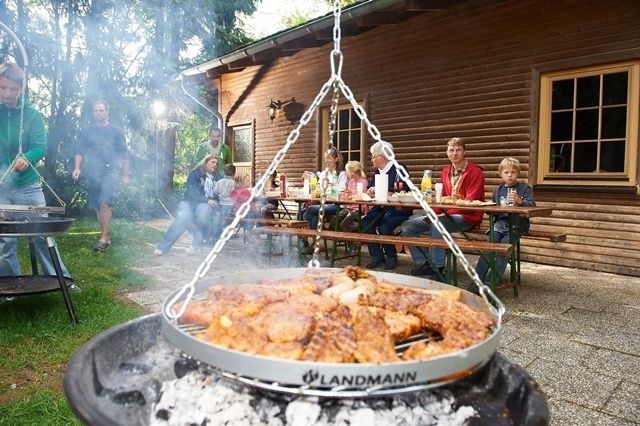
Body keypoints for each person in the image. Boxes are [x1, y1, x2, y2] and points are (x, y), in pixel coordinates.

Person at [0, 62, 70, 277]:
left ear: (20, 89)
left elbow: (39, 147)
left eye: (13, 89)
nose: (7, 93)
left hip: (29, 187)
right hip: (2, 187)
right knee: (4, 240)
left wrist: (27, 158)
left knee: (42, 234)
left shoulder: (31, 115)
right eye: (2, 88)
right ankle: (10, 285)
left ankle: (60, 279)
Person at [401, 137, 485, 277]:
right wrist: (433, 213)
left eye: (458, 150)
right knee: (408, 226)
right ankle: (426, 262)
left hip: (467, 216)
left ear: (464, 152)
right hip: (445, 215)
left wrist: (440, 216)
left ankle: (438, 269)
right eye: (451, 150)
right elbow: (442, 199)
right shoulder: (445, 171)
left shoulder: (475, 171)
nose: (455, 153)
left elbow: (470, 202)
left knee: (437, 225)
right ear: (447, 153)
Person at [72, 100, 129, 252]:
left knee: (105, 203)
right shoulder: (87, 131)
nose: (98, 113)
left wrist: (125, 175)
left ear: (107, 112)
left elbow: (124, 154)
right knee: (98, 205)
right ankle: (106, 236)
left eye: (101, 110)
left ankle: (103, 239)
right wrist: (77, 168)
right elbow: (79, 150)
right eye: (96, 110)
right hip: (93, 171)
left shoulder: (116, 131)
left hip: (111, 171)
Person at [475, 157, 535, 284]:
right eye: (506, 172)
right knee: (487, 250)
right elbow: (495, 207)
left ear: (517, 173)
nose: (510, 175)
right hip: (499, 226)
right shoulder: (498, 190)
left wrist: (521, 202)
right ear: (501, 174)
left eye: (513, 172)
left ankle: (489, 285)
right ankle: (477, 282)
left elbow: (533, 206)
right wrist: (488, 207)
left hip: (516, 227)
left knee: (502, 252)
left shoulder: (524, 188)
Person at [153, 155, 220, 255]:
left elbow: (221, 193)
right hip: (190, 203)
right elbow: (192, 191)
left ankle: (196, 245)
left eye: (216, 163)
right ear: (205, 162)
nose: (215, 165)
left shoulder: (218, 177)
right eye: (212, 162)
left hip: (205, 206)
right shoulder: (195, 174)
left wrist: (216, 202)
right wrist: (207, 200)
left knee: (203, 211)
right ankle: (163, 247)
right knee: (183, 218)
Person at [360, 141, 411, 270]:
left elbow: (403, 190)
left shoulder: (399, 168)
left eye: (373, 156)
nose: (372, 159)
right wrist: (371, 190)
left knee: (384, 227)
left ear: (381, 157)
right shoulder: (378, 171)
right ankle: (377, 257)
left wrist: (384, 191)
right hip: (380, 207)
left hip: (398, 209)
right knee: (365, 223)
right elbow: (371, 187)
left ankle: (391, 257)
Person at [301, 147, 348, 229]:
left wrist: (326, 192)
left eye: (329, 158)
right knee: (302, 212)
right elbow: (318, 189)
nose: (326, 160)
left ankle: (308, 237)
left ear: (336, 159)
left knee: (311, 210)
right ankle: (310, 238)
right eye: (325, 158)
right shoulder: (323, 173)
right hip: (322, 203)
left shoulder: (341, 174)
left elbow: (341, 193)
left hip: (336, 205)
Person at [336, 160, 369, 233]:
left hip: (359, 209)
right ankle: (348, 236)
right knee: (334, 220)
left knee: (344, 224)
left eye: (347, 172)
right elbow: (348, 193)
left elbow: (362, 196)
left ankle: (352, 242)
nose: (347, 174)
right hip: (349, 208)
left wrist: (351, 197)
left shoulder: (363, 182)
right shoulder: (351, 181)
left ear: (352, 173)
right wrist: (345, 195)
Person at [209, 163, 236, 241]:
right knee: (228, 220)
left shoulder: (219, 182)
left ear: (223, 172)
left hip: (221, 204)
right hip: (230, 205)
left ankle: (218, 235)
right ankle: (226, 234)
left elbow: (214, 192)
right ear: (234, 173)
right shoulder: (232, 183)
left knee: (220, 219)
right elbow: (233, 193)